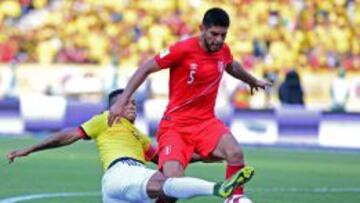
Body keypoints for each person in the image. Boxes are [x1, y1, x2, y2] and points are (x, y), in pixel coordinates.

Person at [108, 8, 269, 202]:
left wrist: (251, 80)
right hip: (175, 126)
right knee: (173, 186)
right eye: (214, 34)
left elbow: (231, 65)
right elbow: (146, 68)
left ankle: (234, 198)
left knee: (235, 153)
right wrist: (123, 100)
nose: (218, 40)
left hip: (205, 123)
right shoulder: (182, 49)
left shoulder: (223, 51)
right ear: (202, 29)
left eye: (223, 35)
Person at [7, 89, 254, 203]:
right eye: (127, 103)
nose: (132, 106)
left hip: (126, 185)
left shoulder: (139, 136)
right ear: (114, 107)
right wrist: (29, 149)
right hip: (121, 172)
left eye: (134, 103)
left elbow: (167, 160)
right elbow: (67, 136)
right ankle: (219, 189)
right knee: (167, 184)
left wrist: (208, 155)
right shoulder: (106, 119)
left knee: (170, 185)